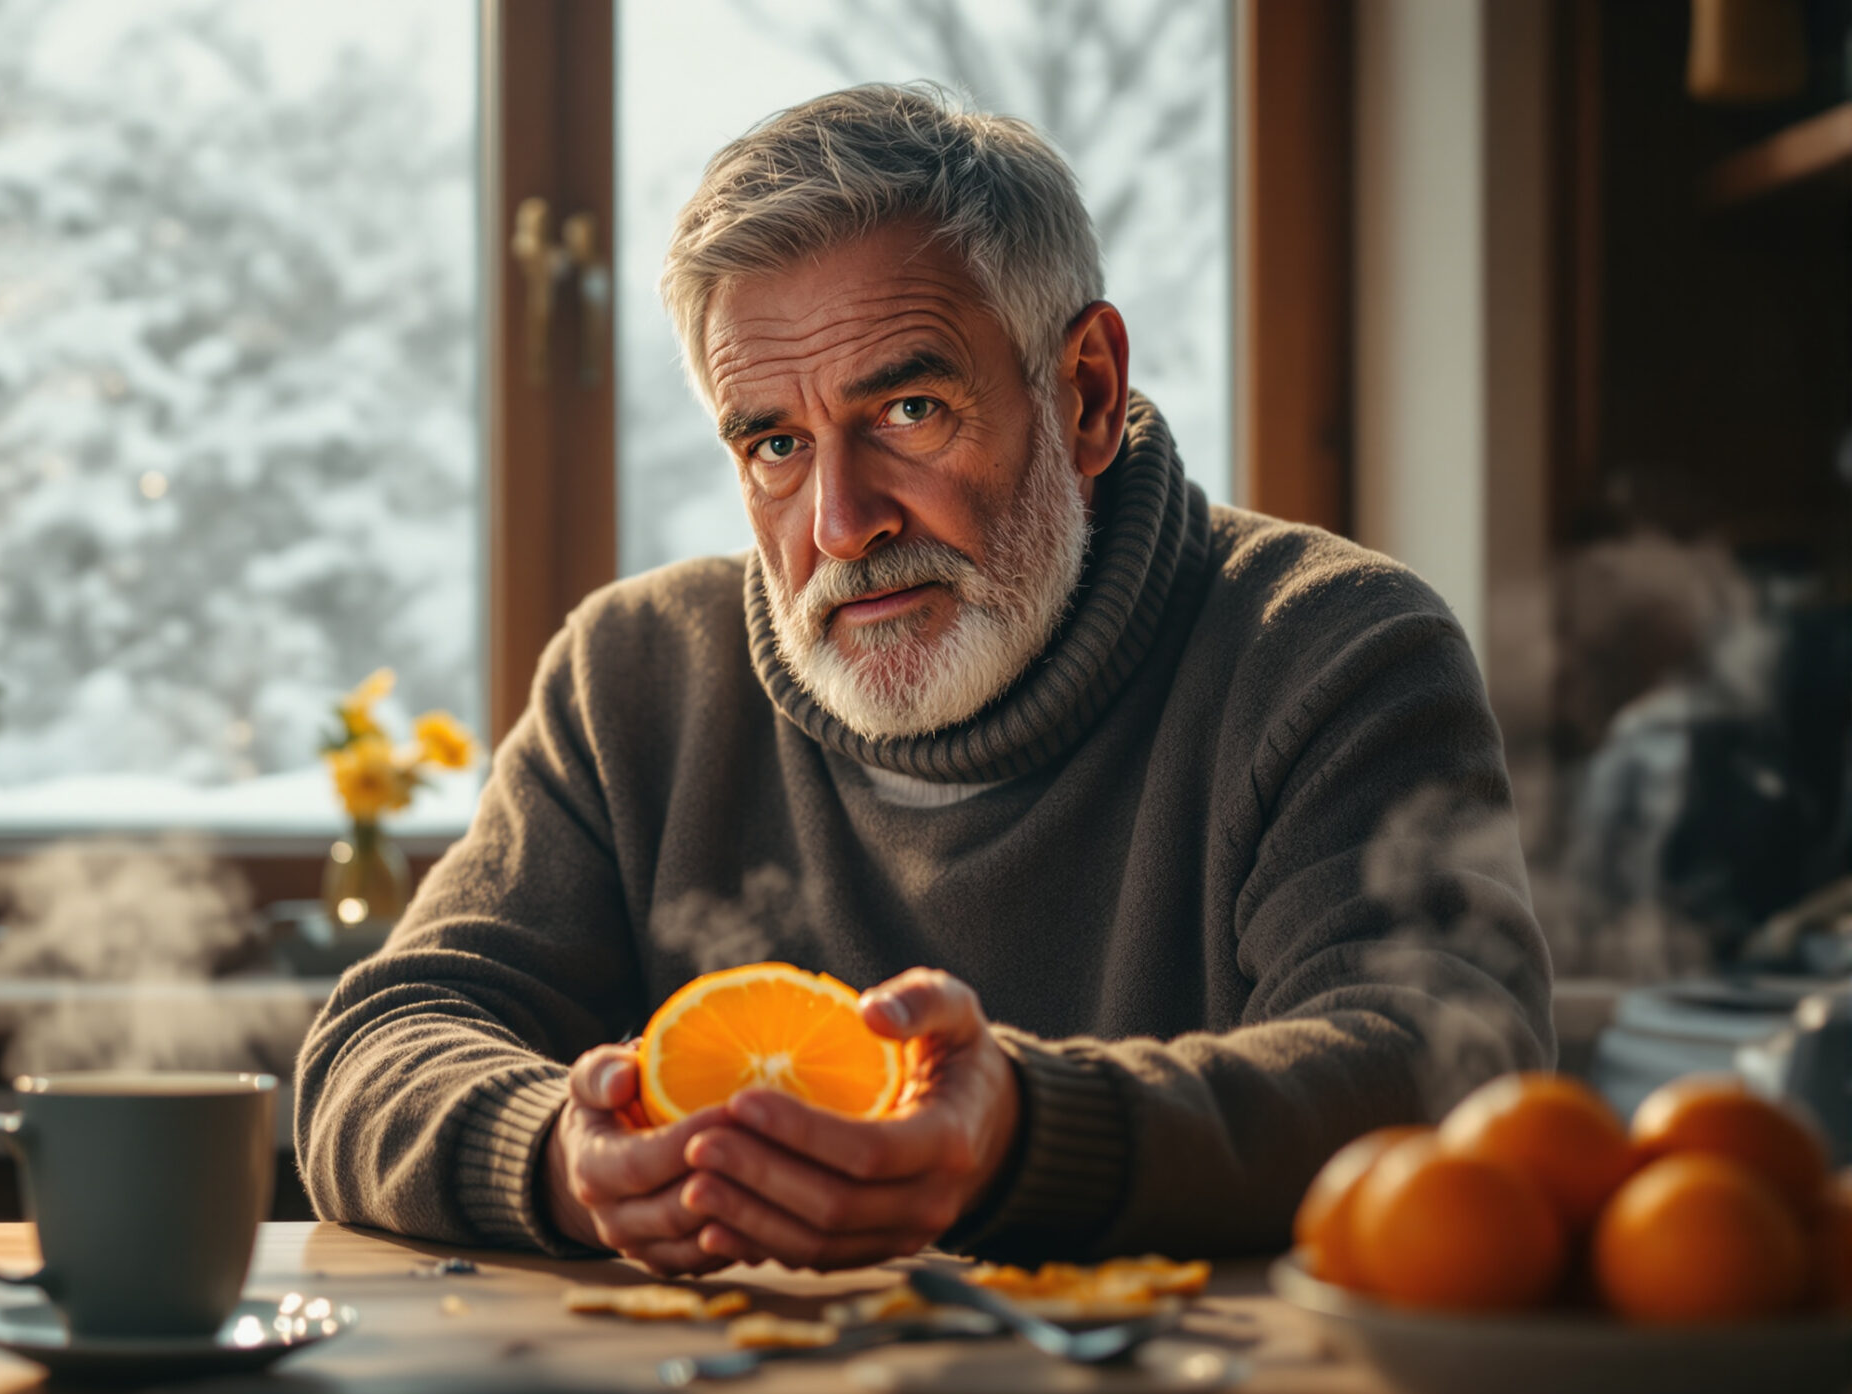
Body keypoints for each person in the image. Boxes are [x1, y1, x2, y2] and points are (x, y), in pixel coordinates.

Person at [294, 83, 1550, 1274]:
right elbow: (376, 1045)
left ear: (1087, 395)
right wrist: (559, 1158)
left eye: (907, 412)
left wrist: (1019, 1133)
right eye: (777, 445)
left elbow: (1443, 1066)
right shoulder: (632, 679)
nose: (840, 523)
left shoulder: (1332, 650)